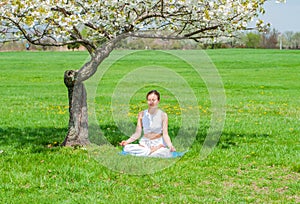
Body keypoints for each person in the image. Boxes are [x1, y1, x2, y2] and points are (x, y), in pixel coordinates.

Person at [119, 90, 176, 158]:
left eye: (153, 100)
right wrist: (127, 142)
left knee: (165, 152)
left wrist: (170, 146)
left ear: (158, 101)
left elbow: (165, 134)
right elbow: (137, 133)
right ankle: (150, 152)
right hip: (145, 143)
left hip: (158, 144)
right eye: (149, 100)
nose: (151, 102)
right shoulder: (142, 114)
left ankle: (150, 151)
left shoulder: (163, 115)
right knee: (127, 148)